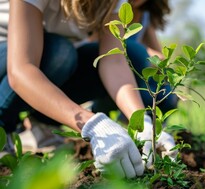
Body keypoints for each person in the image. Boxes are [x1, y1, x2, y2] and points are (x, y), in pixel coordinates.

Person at [0, 0, 177, 178]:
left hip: (52, 61)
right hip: (12, 56)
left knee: (132, 53)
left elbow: (114, 62)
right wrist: (93, 125)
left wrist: (142, 123)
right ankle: (3, 127)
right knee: (61, 54)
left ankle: (42, 124)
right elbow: (21, 70)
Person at [90, 0, 178, 119]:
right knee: (137, 54)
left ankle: (151, 128)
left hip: (136, 73)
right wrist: (145, 52)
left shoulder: (145, 16)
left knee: (167, 91)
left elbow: (160, 57)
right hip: (108, 68)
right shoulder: (111, 9)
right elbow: (95, 43)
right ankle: (97, 109)